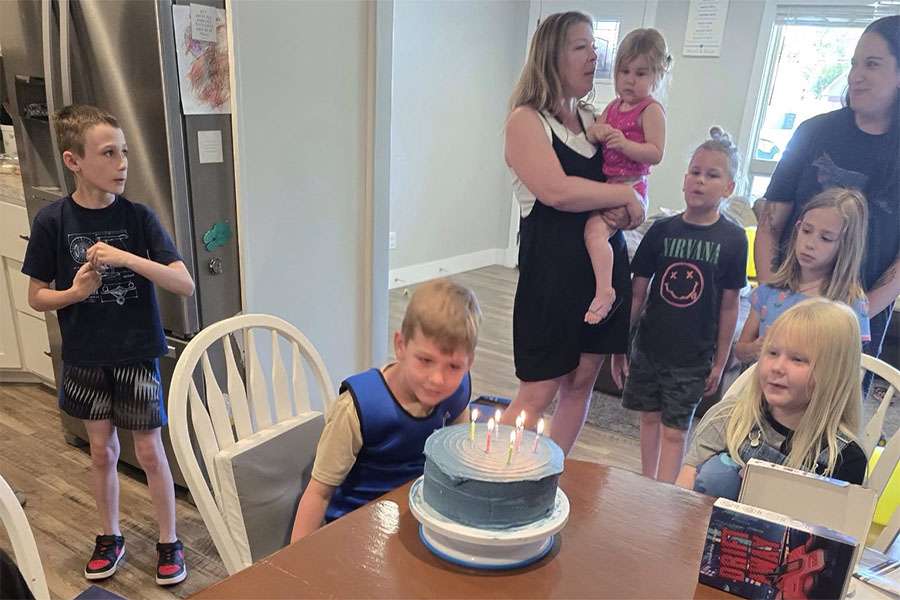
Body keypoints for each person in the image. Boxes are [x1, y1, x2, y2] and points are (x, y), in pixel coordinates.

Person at [21, 105, 195, 585]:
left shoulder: (139, 219)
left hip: (137, 351)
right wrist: (75, 293)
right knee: (101, 452)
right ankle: (110, 535)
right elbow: (37, 296)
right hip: (85, 355)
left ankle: (169, 540)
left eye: (124, 152)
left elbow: (183, 284)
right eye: (109, 153)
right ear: (74, 161)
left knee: (151, 452)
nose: (122, 163)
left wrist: (126, 258)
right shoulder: (52, 220)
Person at [502, 11, 646, 455]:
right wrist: (620, 197)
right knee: (538, 390)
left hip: (602, 271)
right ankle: (493, 478)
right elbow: (557, 191)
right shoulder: (526, 121)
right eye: (581, 46)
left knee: (582, 382)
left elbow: (632, 178)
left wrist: (629, 208)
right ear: (552, 56)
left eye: (594, 46)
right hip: (551, 278)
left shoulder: (591, 120)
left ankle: (548, 473)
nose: (594, 56)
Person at [754, 15, 900, 364]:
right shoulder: (812, 132)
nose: (856, 75)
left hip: (855, 327)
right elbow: (770, 224)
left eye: (872, 64)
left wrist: (849, 318)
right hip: (786, 315)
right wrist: (775, 299)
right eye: (853, 64)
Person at [291, 279, 480, 540]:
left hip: (422, 518)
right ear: (401, 346)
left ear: (469, 363)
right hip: (356, 530)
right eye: (425, 360)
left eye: (454, 366)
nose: (438, 379)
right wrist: (297, 571)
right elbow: (318, 493)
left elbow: (456, 458)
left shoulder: (457, 391)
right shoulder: (358, 408)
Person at [619, 127, 748, 483]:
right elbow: (638, 292)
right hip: (649, 347)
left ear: (728, 188)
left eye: (712, 175)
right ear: (684, 178)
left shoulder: (734, 240)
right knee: (648, 417)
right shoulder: (660, 231)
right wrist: (620, 344)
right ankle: (648, 484)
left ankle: (664, 493)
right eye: (694, 172)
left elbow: (729, 306)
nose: (700, 181)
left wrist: (721, 362)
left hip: (693, 356)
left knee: (675, 431)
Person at [677, 298, 867, 500]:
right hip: (701, 527)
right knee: (718, 474)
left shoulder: (845, 458)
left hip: (785, 532)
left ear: (835, 373)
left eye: (798, 359)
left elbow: (830, 529)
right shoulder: (727, 418)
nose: (777, 367)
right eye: (772, 353)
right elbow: (682, 497)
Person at [583, 27, 670, 324]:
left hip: (632, 185)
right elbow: (594, 132)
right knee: (591, 233)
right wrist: (598, 131)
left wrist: (627, 145)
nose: (630, 80)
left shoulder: (651, 110)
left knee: (594, 233)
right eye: (625, 71)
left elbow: (656, 152)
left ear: (657, 76)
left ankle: (604, 291)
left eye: (641, 73)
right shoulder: (612, 107)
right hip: (609, 185)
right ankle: (603, 287)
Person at [735, 188, 871, 364]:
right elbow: (740, 350)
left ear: (846, 246)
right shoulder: (769, 291)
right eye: (806, 231)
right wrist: (755, 349)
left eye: (826, 238)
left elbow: (850, 370)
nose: (810, 244)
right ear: (797, 229)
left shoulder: (850, 302)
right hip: (765, 387)